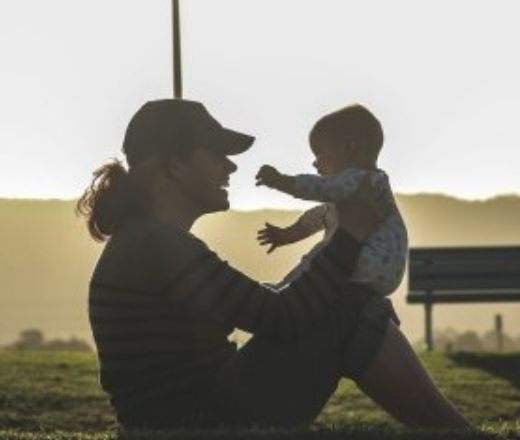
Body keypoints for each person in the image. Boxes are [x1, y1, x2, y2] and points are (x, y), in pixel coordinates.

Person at [77, 98, 469, 429]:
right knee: (352, 307)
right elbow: (282, 317)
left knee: (349, 304)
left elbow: (262, 308)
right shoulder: (156, 245)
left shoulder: (145, 241)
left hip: (191, 414)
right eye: (216, 154)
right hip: (201, 420)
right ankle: (457, 434)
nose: (229, 167)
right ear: (173, 165)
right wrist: (350, 234)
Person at [255, 104, 407, 299]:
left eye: (319, 153)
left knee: (318, 259)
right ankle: (285, 290)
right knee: (322, 256)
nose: (315, 163)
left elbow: (321, 189)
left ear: (348, 148)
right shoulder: (366, 187)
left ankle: (286, 292)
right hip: (382, 272)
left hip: (366, 261)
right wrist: (287, 235)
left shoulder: (361, 179)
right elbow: (321, 216)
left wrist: (281, 181)